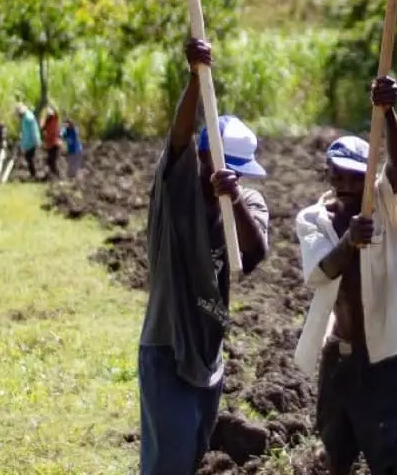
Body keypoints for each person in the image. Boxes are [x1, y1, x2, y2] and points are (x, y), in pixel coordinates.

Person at [139, 37, 271, 475]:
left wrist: (231, 199)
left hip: (210, 353)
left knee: (192, 458)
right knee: (168, 464)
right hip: (167, 346)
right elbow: (177, 139)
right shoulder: (176, 194)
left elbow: (253, 255)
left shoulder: (245, 202)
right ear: (202, 159)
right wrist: (196, 77)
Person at [294, 75, 397, 475]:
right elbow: (320, 274)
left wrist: (388, 110)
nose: (348, 185)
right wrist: (350, 242)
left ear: (369, 178)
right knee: (338, 453)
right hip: (340, 357)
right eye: (339, 176)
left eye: (357, 177)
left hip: (386, 355)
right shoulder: (314, 219)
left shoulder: (383, 204)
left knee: (395, 457)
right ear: (328, 176)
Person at [16, 103, 39, 180]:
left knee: (30, 158)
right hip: (28, 142)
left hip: (31, 142)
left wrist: (36, 140)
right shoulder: (25, 118)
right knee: (28, 158)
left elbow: (33, 130)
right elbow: (25, 131)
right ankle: (33, 174)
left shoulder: (28, 118)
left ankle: (34, 175)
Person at [41, 104, 62, 181]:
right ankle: (52, 177)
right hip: (50, 144)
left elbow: (52, 133)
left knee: (52, 162)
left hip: (54, 144)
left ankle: (58, 178)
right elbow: (42, 127)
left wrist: (46, 136)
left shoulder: (54, 120)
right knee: (50, 162)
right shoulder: (48, 121)